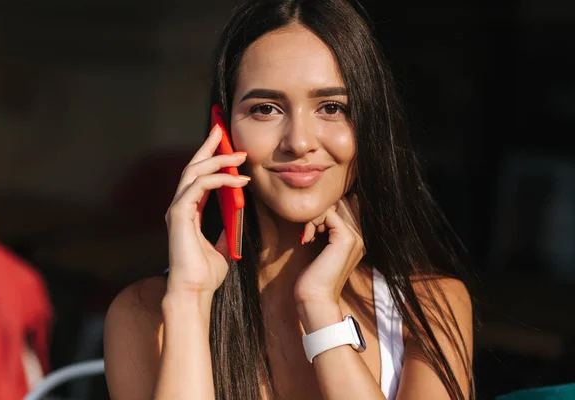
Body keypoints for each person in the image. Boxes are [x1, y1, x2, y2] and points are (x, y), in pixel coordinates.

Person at [103, 0, 474, 399]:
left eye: (332, 108)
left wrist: (320, 308)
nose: (298, 142)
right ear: (221, 129)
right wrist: (191, 300)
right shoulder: (147, 313)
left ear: (369, 127)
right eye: (266, 109)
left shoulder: (431, 308)